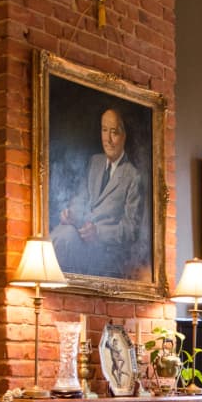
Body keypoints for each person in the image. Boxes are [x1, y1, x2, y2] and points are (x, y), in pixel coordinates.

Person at [51, 108, 142, 278]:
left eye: (113, 132)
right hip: (82, 239)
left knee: (66, 237)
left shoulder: (133, 176)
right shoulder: (95, 162)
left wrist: (98, 232)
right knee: (64, 232)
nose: (107, 139)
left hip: (107, 253)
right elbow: (81, 199)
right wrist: (71, 214)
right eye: (104, 130)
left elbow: (131, 230)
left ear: (124, 135)